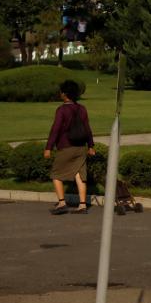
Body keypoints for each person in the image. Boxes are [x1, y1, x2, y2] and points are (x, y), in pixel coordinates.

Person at [44, 79, 94, 215]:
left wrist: (48, 147)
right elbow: (87, 129)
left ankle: (61, 203)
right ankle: (82, 205)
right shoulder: (82, 109)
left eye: (61, 92)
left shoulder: (62, 110)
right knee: (79, 174)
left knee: (56, 174)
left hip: (66, 146)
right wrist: (91, 146)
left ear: (65, 94)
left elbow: (56, 129)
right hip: (81, 147)